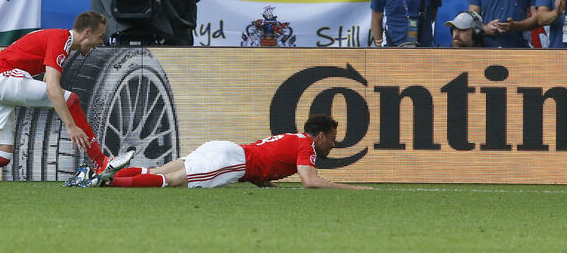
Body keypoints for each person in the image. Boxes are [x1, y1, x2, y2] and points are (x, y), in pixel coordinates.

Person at [0, 11, 135, 185]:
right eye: (100, 37)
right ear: (86, 33)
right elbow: (52, 86)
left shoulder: (57, 38)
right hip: (1, 80)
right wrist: (70, 126)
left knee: (0, 156)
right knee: (71, 99)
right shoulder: (61, 39)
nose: (100, 43)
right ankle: (101, 162)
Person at [85, 113, 369, 189]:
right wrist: (354, 189)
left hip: (223, 148)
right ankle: (108, 184)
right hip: (233, 161)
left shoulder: (293, 139)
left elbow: (267, 160)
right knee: (170, 182)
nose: (333, 143)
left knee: (157, 171)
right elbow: (311, 182)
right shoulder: (306, 145)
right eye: (332, 138)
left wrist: (262, 180)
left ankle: (101, 174)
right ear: (319, 136)